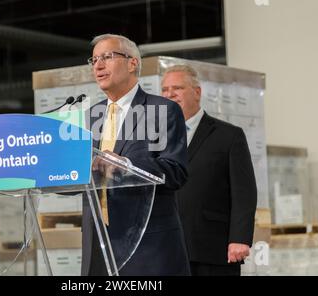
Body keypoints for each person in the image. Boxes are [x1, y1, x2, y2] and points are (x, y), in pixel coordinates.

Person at [82, 34, 190, 276]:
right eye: (94, 59)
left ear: (132, 63)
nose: (98, 65)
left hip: (146, 244)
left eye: (107, 57)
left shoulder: (162, 110)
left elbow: (176, 170)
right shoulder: (88, 117)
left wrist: (127, 165)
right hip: (98, 244)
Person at [161, 64, 258, 276]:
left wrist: (240, 237)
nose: (169, 95)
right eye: (165, 90)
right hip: (167, 249)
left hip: (212, 249)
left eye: (177, 88)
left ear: (197, 92)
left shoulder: (229, 135)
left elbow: (244, 192)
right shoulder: (156, 140)